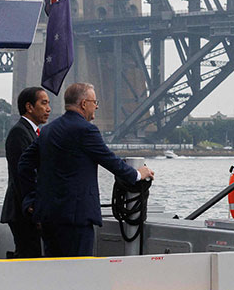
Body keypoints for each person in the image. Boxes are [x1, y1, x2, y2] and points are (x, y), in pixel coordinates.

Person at [18, 82, 153, 257]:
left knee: (53, 268)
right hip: (77, 220)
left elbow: (24, 164)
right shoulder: (86, 130)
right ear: (83, 104)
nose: (96, 107)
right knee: (80, 268)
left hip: (49, 217)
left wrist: (31, 200)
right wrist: (137, 174)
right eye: (94, 102)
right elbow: (109, 160)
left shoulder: (48, 130)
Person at [0, 86, 50, 258]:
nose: (48, 109)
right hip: (23, 211)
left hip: (27, 208)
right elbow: (22, 174)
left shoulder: (32, 132)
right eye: (44, 103)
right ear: (29, 107)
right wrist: (34, 208)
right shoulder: (19, 133)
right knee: (28, 256)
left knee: (30, 255)